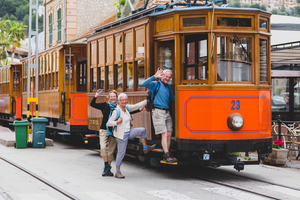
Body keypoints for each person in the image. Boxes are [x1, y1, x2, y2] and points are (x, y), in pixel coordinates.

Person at [107, 93, 156, 178]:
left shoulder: (127, 108)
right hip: (121, 135)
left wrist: (147, 100)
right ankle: (117, 172)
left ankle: (145, 148)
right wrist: (117, 122)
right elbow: (109, 123)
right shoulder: (116, 111)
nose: (124, 101)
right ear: (119, 101)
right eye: (122, 100)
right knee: (121, 153)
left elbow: (137, 106)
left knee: (142, 130)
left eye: (126, 100)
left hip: (129, 131)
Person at [142, 68, 176, 163]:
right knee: (164, 133)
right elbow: (144, 84)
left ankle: (167, 152)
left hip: (166, 111)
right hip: (158, 111)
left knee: (169, 132)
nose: (168, 78)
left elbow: (172, 98)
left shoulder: (168, 87)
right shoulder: (155, 84)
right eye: (166, 76)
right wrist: (154, 76)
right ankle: (166, 154)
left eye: (169, 77)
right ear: (162, 76)